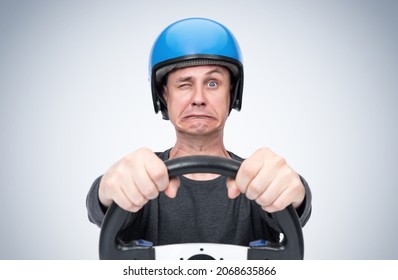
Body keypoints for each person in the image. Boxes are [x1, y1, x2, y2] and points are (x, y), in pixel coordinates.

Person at [86, 18, 311, 247]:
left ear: (231, 93)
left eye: (212, 83)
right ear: (164, 95)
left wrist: (295, 193)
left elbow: (294, 206)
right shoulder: (141, 179)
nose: (199, 99)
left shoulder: (258, 180)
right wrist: (106, 190)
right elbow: (99, 207)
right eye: (184, 84)